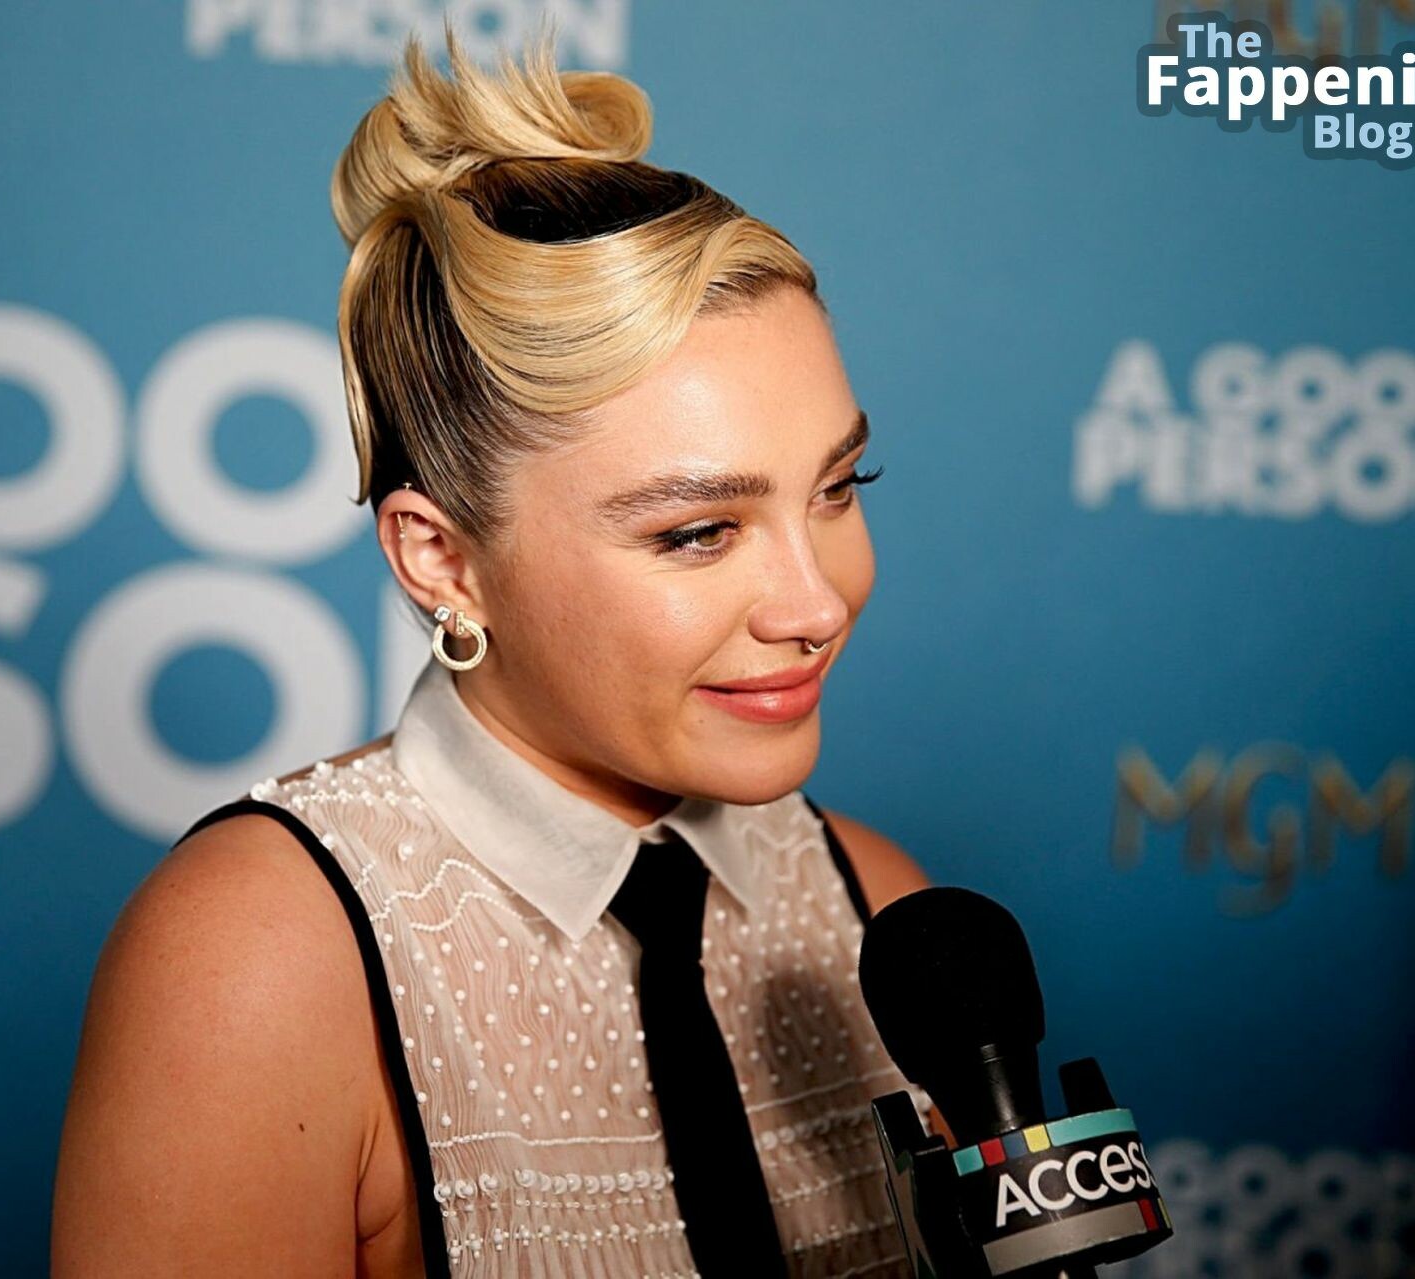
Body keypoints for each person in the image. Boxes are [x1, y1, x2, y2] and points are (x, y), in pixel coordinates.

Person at [52, 21, 952, 1277]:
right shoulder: (259, 956)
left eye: (839, 488)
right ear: (441, 560)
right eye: (699, 531)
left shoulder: (880, 907)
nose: (818, 602)